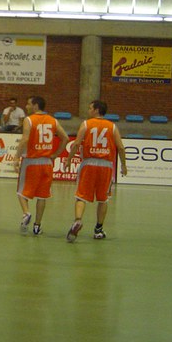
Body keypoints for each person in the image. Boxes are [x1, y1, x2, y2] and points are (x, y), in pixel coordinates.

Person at [64, 99, 128, 242]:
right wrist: (123, 165)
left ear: (97, 110)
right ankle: (98, 229)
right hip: (106, 166)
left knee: (81, 196)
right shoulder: (112, 126)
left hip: (89, 163)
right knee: (103, 199)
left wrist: (68, 160)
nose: (88, 111)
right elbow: (121, 147)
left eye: (90, 108)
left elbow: (76, 144)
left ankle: (78, 220)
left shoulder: (86, 124)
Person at [14, 96, 69, 235]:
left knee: (21, 192)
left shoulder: (29, 120)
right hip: (46, 163)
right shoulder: (53, 120)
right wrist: (56, 154)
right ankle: (37, 226)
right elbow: (65, 138)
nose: (26, 106)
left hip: (31, 161)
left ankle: (26, 213)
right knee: (42, 196)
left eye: (28, 104)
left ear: (36, 105)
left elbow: (25, 139)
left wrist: (16, 157)